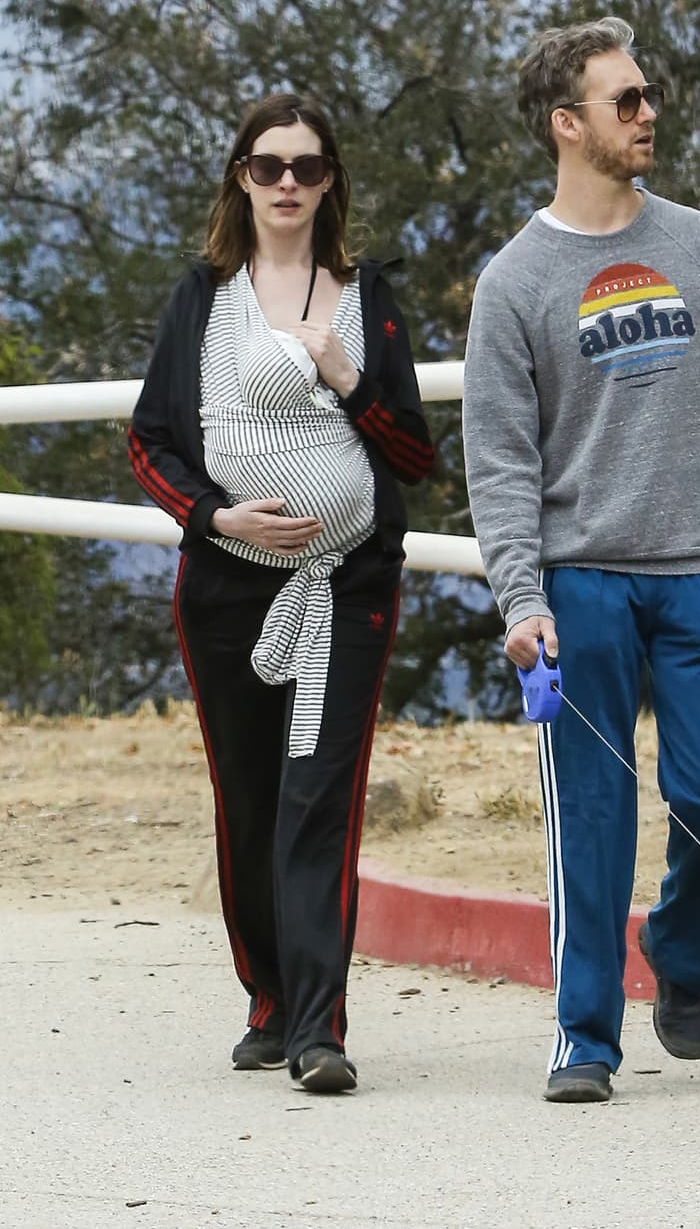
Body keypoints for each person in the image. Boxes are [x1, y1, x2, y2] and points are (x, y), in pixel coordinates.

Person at [462, 17, 700, 1104]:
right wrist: (520, 597)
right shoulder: (514, 282)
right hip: (579, 585)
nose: (647, 113)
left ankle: (680, 945)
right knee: (589, 813)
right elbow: (499, 461)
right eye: (624, 100)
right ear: (565, 123)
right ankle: (585, 1036)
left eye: (648, 96)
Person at [129, 93, 434, 1092]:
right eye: (269, 167)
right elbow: (150, 444)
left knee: (317, 795)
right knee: (251, 796)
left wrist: (350, 378)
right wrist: (218, 516)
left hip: (345, 586)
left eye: (307, 166)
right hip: (224, 589)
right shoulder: (202, 299)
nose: (289, 183)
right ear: (241, 178)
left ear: (331, 178)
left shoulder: (369, 295)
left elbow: (413, 455)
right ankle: (266, 996)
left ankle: (318, 1030)